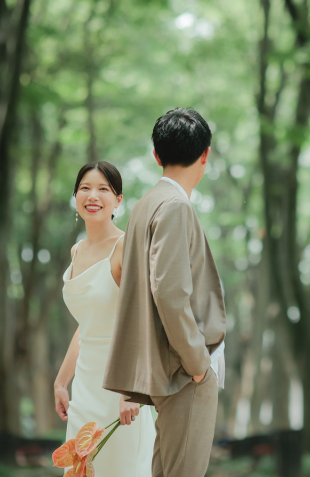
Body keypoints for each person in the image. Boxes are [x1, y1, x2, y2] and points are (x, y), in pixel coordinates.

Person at [103, 108, 226, 477]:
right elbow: (170, 293)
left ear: (156, 155)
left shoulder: (144, 205)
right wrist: (197, 365)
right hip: (183, 372)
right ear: (205, 154)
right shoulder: (175, 206)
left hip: (165, 368)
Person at [54, 161, 156, 476]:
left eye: (103, 189)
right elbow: (88, 324)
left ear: (118, 200)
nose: (92, 195)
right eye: (85, 187)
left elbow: (142, 318)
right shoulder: (76, 251)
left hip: (119, 385)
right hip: (85, 387)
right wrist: (61, 381)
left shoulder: (126, 246)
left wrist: (131, 390)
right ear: (75, 196)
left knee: (121, 468)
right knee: (84, 469)